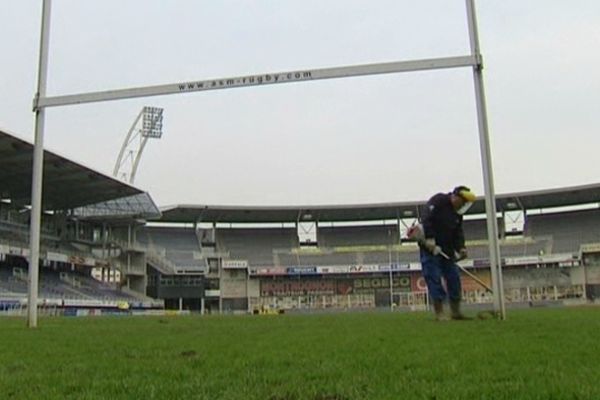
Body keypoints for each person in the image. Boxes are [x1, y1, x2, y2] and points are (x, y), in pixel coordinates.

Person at [419, 185, 476, 320]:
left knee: (454, 278)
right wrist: (430, 238)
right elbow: (427, 218)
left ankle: (455, 312)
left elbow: (458, 232)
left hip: (447, 250)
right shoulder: (438, 201)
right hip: (431, 249)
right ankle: (439, 312)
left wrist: (461, 247)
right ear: (455, 197)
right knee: (433, 278)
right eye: (462, 202)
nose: (463, 206)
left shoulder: (457, 214)